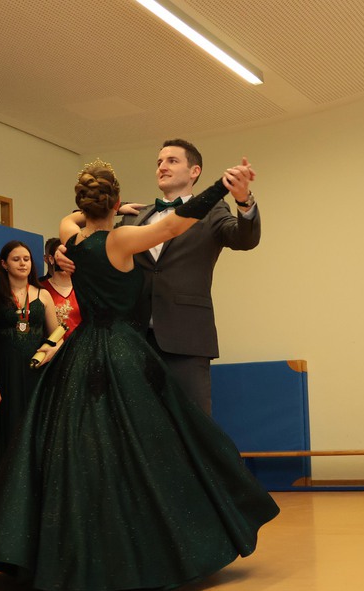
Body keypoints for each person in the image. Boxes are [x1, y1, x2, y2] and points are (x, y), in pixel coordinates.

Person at [0, 159, 278, 591]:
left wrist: (102, 210)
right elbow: (174, 225)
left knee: (79, 446)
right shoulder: (121, 239)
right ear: (115, 202)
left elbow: (70, 218)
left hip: (82, 349)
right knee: (154, 443)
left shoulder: (72, 236)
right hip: (123, 349)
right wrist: (220, 187)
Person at [58, 139, 259, 414]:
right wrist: (62, 252)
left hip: (186, 338)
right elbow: (96, 238)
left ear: (194, 171)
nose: (162, 166)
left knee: (192, 422)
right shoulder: (134, 217)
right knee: (140, 422)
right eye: (159, 162)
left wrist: (244, 201)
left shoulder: (213, 211)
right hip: (135, 338)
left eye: (172, 161)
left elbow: (244, 239)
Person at [0, 240, 61, 467]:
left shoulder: (43, 295)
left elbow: (57, 335)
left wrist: (52, 350)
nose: (22, 263)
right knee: (7, 425)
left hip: (36, 370)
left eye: (26, 259)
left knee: (34, 424)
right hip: (4, 371)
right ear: (4, 264)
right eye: (16, 259)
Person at [40, 237, 81, 335]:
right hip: (50, 342)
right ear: (51, 259)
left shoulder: (84, 289)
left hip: (81, 342)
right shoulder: (40, 289)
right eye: (62, 256)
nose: (66, 260)